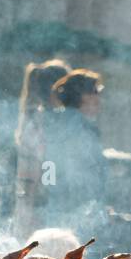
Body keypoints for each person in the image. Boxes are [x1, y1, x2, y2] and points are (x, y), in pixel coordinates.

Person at [42, 68, 107, 229]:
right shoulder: (80, 126)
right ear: (83, 96)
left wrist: (50, 195)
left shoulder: (54, 122)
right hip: (79, 212)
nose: (99, 99)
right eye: (95, 92)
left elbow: (48, 166)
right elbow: (89, 173)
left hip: (56, 209)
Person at [13, 59, 71, 234]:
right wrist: (48, 193)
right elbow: (46, 162)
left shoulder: (34, 117)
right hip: (37, 200)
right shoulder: (44, 120)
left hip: (29, 196)